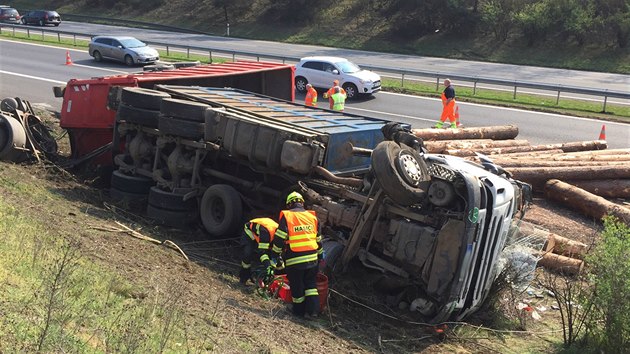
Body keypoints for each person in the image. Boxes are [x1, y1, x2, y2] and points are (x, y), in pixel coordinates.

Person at [271, 191, 323, 318]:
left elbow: (280, 238)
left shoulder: (288, 216)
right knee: (311, 285)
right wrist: (320, 256)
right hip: (312, 259)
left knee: (297, 285)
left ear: (289, 204)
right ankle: (313, 312)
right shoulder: (313, 217)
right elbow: (319, 240)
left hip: (295, 259)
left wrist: (275, 254)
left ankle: (298, 312)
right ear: (302, 203)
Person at [239, 217, 279, 284]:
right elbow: (262, 252)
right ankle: (243, 278)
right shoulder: (266, 233)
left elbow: (276, 254)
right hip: (250, 234)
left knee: (271, 258)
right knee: (247, 254)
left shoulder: (280, 236)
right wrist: (268, 266)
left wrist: (274, 268)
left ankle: (267, 280)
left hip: (263, 234)